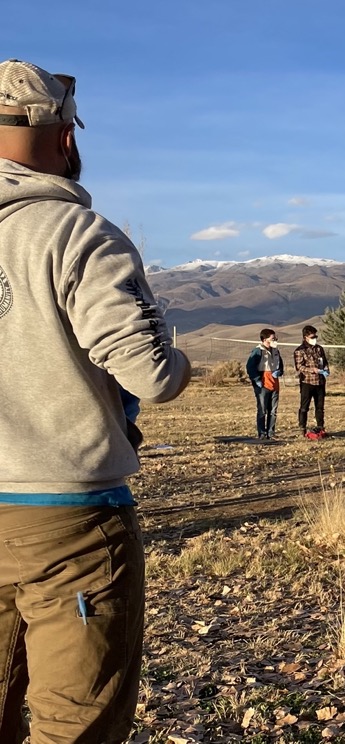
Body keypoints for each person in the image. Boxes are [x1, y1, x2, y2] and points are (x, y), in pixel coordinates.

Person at [0, 59, 191, 742]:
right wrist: (181, 360)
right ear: (62, 137)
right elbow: (153, 375)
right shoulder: (77, 235)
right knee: (74, 725)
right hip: (69, 520)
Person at [246, 328, 283, 439]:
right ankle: (262, 433)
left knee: (273, 411)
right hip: (263, 385)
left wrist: (280, 371)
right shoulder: (258, 351)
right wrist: (257, 379)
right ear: (265, 339)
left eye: (275, 338)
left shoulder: (276, 351)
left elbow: (280, 364)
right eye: (273, 338)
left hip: (275, 384)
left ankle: (271, 433)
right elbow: (250, 367)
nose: (275, 340)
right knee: (262, 410)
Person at [294, 325, 330, 439]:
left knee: (320, 407)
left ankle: (320, 427)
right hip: (307, 382)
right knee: (304, 407)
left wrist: (326, 369)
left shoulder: (319, 348)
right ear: (305, 337)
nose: (315, 338)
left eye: (316, 336)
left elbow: (324, 361)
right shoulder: (300, 351)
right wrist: (312, 370)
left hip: (320, 382)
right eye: (312, 336)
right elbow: (299, 366)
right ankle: (302, 428)